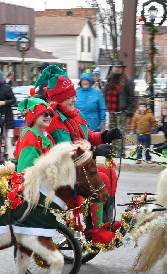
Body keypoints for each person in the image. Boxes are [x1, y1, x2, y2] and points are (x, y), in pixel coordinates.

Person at [35, 65, 122, 244]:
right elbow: (68, 149)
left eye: (74, 96)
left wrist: (107, 136)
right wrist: (96, 151)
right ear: (59, 99)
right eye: (70, 98)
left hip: (79, 166)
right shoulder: (55, 120)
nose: (74, 100)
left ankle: (104, 221)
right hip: (65, 170)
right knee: (102, 179)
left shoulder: (75, 115)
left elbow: (89, 135)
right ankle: (96, 230)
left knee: (110, 174)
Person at [14, 97, 55, 172]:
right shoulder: (30, 136)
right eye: (45, 114)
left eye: (51, 115)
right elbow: (26, 169)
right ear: (34, 117)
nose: (49, 117)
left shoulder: (45, 134)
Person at [103, 59, 135, 156]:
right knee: (112, 132)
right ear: (113, 68)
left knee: (120, 132)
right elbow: (105, 92)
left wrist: (130, 110)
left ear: (122, 69)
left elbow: (131, 96)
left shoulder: (127, 81)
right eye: (116, 67)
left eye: (119, 67)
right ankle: (113, 150)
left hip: (121, 110)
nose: (117, 69)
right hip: (111, 110)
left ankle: (120, 152)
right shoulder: (109, 79)